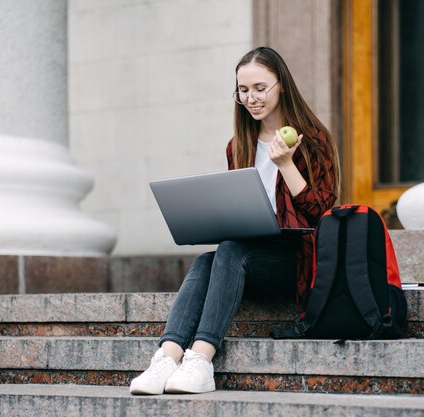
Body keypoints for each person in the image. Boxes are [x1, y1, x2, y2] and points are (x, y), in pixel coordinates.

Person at [129, 46, 340, 395]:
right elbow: (240, 209)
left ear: (281, 85)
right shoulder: (238, 144)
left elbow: (321, 213)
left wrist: (286, 164)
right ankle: (166, 358)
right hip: (248, 255)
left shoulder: (312, 139)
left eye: (261, 88)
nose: (252, 98)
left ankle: (201, 359)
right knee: (206, 259)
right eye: (243, 91)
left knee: (229, 252)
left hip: (296, 262)